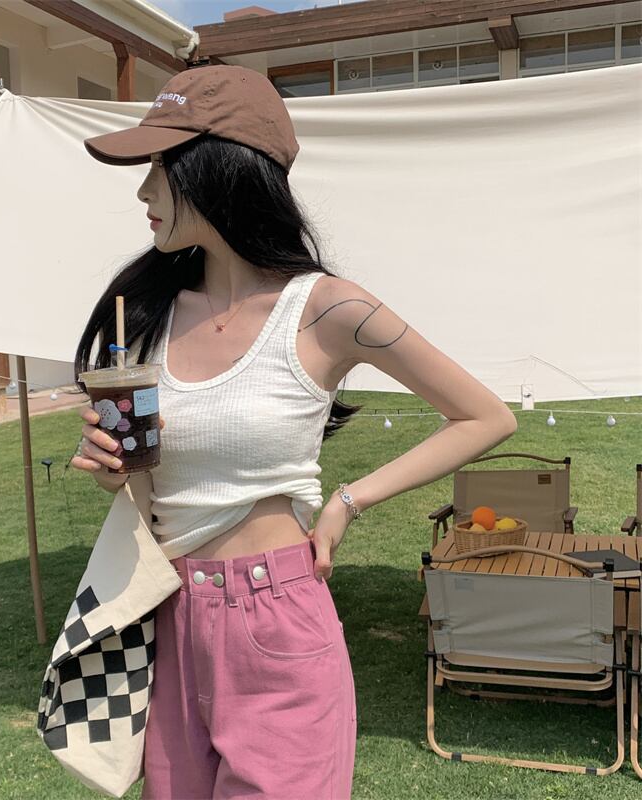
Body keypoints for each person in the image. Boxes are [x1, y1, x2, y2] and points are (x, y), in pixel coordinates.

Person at [71, 65, 517, 799]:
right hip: (166, 614)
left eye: (158, 167)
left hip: (276, 620)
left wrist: (346, 502)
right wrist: (114, 471)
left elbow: (485, 416)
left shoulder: (328, 310)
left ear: (218, 169)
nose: (143, 192)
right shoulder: (148, 310)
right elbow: (153, 491)